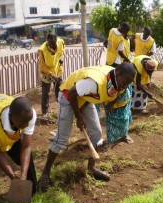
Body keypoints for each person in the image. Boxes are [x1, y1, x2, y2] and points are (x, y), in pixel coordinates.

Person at [38, 62, 136, 191]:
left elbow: (107, 95)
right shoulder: (94, 82)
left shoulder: (119, 82)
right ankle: (45, 174)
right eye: (125, 82)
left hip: (86, 97)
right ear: (118, 73)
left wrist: (84, 110)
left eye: (128, 84)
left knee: (97, 135)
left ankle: (91, 168)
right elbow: (73, 93)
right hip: (68, 96)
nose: (126, 86)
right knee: (62, 139)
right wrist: (79, 117)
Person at [38, 33, 65, 117]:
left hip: (57, 70)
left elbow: (62, 53)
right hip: (46, 72)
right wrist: (51, 74)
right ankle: (45, 112)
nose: (53, 47)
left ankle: (62, 109)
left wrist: (61, 62)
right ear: (47, 42)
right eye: (51, 45)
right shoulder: (42, 50)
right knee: (45, 93)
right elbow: (42, 66)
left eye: (54, 44)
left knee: (60, 91)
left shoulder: (60, 42)